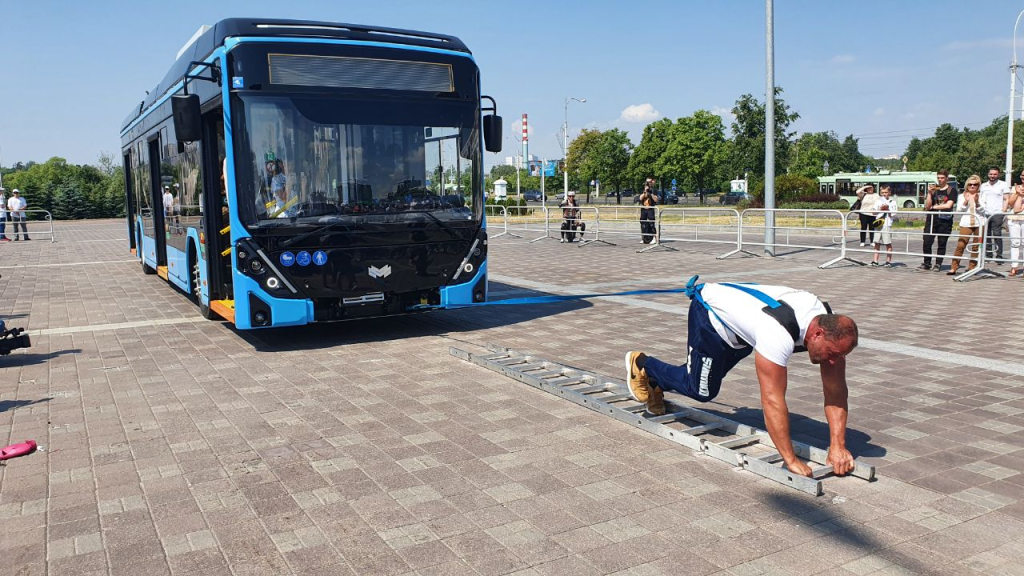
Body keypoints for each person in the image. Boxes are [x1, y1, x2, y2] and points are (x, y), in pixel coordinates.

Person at [625, 276, 858, 477]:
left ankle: (658, 381)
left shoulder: (828, 326)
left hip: (743, 331)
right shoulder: (776, 334)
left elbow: (835, 390)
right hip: (712, 319)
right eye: (832, 354)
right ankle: (644, 366)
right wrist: (791, 460)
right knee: (701, 390)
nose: (833, 361)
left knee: (703, 377)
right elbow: (772, 400)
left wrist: (838, 446)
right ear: (817, 334)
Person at [920, 169, 957, 271]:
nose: (940, 180)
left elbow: (948, 205)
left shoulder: (951, 190)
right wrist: (929, 193)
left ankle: (938, 263)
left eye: (942, 178)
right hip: (932, 219)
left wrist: (934, 207)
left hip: (945, 220)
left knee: (942, 242)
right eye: (938, 178)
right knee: (927, 241)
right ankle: (927, 262)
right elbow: (928, 206)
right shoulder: (934, 190)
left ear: (947, 178)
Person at [979, 167, 1009, 264]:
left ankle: (999, 256)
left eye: (995, 174)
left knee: (997, 234)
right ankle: (988, 255)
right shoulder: (983, 185)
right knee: (986, 235)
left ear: (998, 175)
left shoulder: (1003, 184)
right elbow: (981, 198)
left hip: (997, 213)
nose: (992, 176)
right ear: (988, 174)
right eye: (991, 174)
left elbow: (1006, 199)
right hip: (985, 212)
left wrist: (1003, 210)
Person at [870, 185, 896, 267]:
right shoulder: (878, 201)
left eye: (886, 192)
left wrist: (887, 209)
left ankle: (888, 261)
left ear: (889, 192)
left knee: (887, 243)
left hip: (887, 224)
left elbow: (893, 214)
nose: (884, 194)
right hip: (879, 223)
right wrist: (880, 209)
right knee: (877, 242)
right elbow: (873, 212)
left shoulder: (892, 202)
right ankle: (875, 260)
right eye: (882, 192)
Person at [1006, 183, 1024, 277]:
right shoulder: (1015, 188)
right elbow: (1011, 203)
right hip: (1014, 219)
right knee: (1015, 243)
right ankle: (1014, 266)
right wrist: (1018, 194)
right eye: (1022, 176)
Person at [638, 180, 659, 244]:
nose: (648, 183)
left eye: (649, 182)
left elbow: (656, 200)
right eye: (647, 182)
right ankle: (644, 238)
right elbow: (640, 198)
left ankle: (654, 238)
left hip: (650, 208)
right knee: (643, 223)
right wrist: (645, 191)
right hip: (644, 209)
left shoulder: (653, 190)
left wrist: (651, 194)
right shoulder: (643, 190)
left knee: (651, 223)